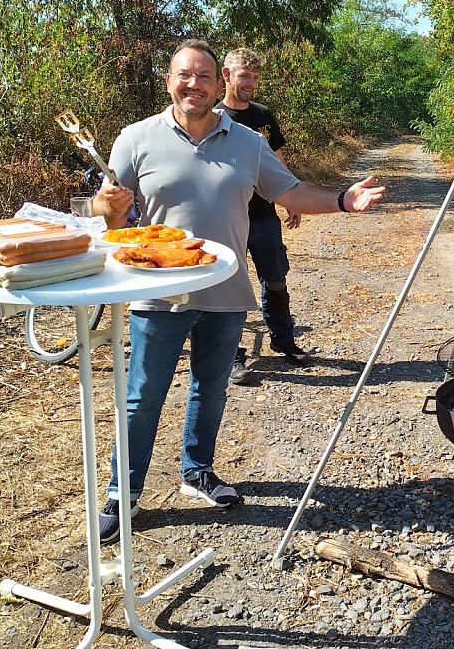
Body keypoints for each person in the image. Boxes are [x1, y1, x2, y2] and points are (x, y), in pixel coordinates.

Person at [90, 39, 384, 544]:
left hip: (226, 288)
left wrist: (341, 199)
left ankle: (197, 471)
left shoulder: (248, 142)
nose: (194, 84)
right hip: (158, 293)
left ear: (217, 82)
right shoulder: (135, 139)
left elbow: (291, 192)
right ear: (169, 81)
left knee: (211, 388)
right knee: (142, 397)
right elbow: (112, 217)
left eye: (204, 76)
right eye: (185, 74)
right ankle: (123, 493)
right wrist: (109, 207)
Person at [217, 48, 304, 384]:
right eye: (244, 76)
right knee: (229, 285)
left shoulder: (264, 115)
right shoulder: (213, 117)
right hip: (228, 217)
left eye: (255, 77)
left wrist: (291, 199)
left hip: (264, 213)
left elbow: (276, 160)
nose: (251, 83)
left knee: (276, 277)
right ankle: (231, 356)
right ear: (226, 75)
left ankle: (284, 340)